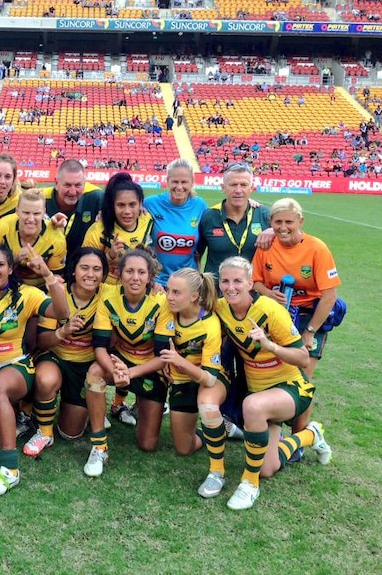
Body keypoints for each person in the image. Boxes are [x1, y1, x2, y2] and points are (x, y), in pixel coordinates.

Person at [207, 256, 332, 510]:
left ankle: (249, 484)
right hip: (259, 394)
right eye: (226, 282)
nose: (231, 287)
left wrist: (269, 345)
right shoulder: (221, 307)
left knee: (252, 406)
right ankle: (310, 435)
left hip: (290, 388)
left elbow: (302, 357)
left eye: (238, 281)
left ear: (251, 282)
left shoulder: (271, 310)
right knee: (268, 467)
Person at [0, 243, 69, 495]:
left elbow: (62, 311)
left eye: (0, 264)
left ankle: (9, 471)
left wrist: (47, 275)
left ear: (10, 268)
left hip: (15, 367)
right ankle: (23, 418)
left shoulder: (27, 294)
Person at [250, 198, 342, 428]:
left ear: (300, 220)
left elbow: (329, 296)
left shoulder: (316, 248)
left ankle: (300, 438)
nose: (283, 227)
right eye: (278, 221)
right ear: (270, 222)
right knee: (279, 375)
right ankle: (274, 431)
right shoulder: (266, 247)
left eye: (289, 222)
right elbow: (255, 282)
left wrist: (311, 330)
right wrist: (269, 294)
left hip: (309, 317)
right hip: (276, 316)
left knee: (302, 379)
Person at [196, 162, 273, 436]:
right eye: (233, 184)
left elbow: (290, 232)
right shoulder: (209, 216)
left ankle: (251, 414)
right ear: (223, 187)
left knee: (251, 356)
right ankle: (225, 416)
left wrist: (274, 230)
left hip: (252, 303)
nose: (238, 189)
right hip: (218, 300)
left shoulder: (265, 214)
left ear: (253, 186)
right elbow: (197, 254)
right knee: (222, 355)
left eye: (243, 184)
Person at [83, 248, 167, 477]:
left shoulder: (161, 301)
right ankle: (99, 445)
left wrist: (131, 373)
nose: (135, 277)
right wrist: (116, 371)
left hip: (148, 367)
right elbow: (100, 347)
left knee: (147, 444)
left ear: (150, 277)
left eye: (141, 272)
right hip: (118, 362)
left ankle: (139, 404)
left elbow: (163, 357)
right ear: (119, 274)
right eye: (129, 271)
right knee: (95, 372)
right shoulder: (108, 297)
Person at [25, 247, 107, 453]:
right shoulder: (58, 292)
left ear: (104, 274)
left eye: (97, 269)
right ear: (73, 271)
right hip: (55, 356)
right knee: (46, 380)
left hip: (85, 365)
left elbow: (137, 287)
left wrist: (155, 287)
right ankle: (44, 432)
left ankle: (86, 408)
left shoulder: (108, 294)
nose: (90, 274)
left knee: (70, 432)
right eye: (84, 268)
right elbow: (42, 341)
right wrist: (63, 331)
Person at [155, 268, 222, 457]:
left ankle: (218, 430)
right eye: (168, 290)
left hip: (193, 381)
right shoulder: (169, 307)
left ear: (194, 296)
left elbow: (209, 379)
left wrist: (178, 361)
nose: (169, 297)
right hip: (171, 376)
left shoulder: (209, 326)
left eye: (176, 292)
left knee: (184, 449)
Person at [144, 159, 208, 287]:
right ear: (167, 181)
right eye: (175, 182)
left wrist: (249, 203)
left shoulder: (200, 205)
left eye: (184, 182)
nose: (179, 187)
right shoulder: (150, 204)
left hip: (188, 283)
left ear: (192, 183)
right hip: (157, 282)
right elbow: (126, 212)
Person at [83, 172, 153, 285]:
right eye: (121, 205)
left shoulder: (147, 220)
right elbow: (85, 267)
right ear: (112, 205)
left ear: (140, 204)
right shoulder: (98, 231)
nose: (127, 211)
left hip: (139, 289)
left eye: (132, 204)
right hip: (107, 292)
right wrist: (109, 256)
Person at [0, 188, 67, 289]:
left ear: (44, 213)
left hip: (40, 287)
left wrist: (46, 272)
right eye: (26, 213)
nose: (31, 219)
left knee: (59, 289)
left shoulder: (56, 239)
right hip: (7, 284)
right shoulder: (2, 228)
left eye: (36, 214)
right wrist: (14, 259)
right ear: (17, 211)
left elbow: (57, 275)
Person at [42, 160, 103, 255]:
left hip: (84, 263)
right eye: (67, 185)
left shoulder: (97, 197)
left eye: (78, 185)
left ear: (85, 183)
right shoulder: (41, 199)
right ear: (56, 183)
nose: (73, 192)